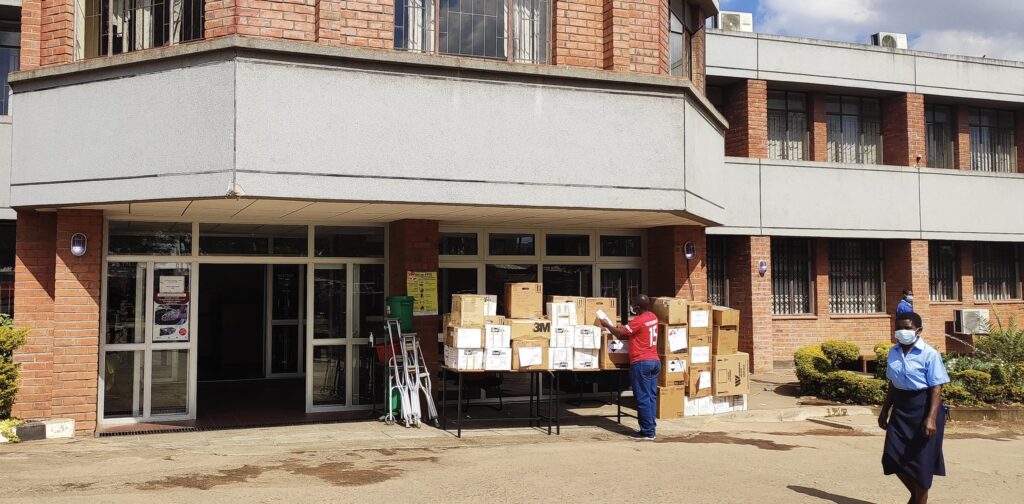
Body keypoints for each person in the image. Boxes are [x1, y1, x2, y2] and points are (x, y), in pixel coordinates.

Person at [878, 311, 950, 504]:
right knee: (892, 457)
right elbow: (893, 383)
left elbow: (936, 387)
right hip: (901, 409)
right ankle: (916, 496)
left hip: (924, 409)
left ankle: (920, 498)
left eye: (907, 328)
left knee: (920, 464)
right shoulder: (893, 352)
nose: (902, 331)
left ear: (918, 330)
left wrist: (931, 418)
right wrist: (885, 409)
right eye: (899, 328)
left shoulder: (929, 354)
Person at [599, 294, 661, 441]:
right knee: (651, 396)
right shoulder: (653, 317)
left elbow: (620, 333)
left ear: (637, 307)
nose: (632, 307)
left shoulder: (638, 321)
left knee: (643, 397)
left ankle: (647, 432)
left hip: (641, 362)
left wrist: (607, 325)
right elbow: (636, 333)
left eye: (633, 304)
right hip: (654, 361)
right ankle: (651, 426)